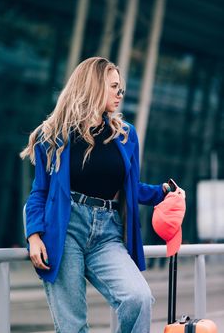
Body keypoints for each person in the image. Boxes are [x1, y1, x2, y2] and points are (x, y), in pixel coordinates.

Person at [20, 56, 171, 333]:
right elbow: (40, 191)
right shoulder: (52, 136)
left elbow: (130, 187)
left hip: (107, 231)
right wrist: (33, 235)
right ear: (93, 86)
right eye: (114, 87)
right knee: (73, 325)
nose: (120, 94)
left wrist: (163, 193)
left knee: (138, 298)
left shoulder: (125, 135)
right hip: (66, 230)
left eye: (121, 88)